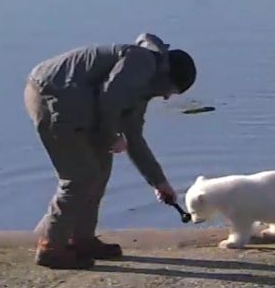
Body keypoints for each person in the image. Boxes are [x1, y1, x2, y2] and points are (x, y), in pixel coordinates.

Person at [23, 33, 196, 269]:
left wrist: (159, 182)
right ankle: (51, 247)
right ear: (166, 76)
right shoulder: (141, 62)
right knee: (79, 177)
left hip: (79, 102)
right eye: (171, 91)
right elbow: (109, 98)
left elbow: (134, 138)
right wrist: (112, 136)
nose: (166, 97)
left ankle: (81, 239)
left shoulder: (142, 87)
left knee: (101, 168)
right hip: (52, 95)